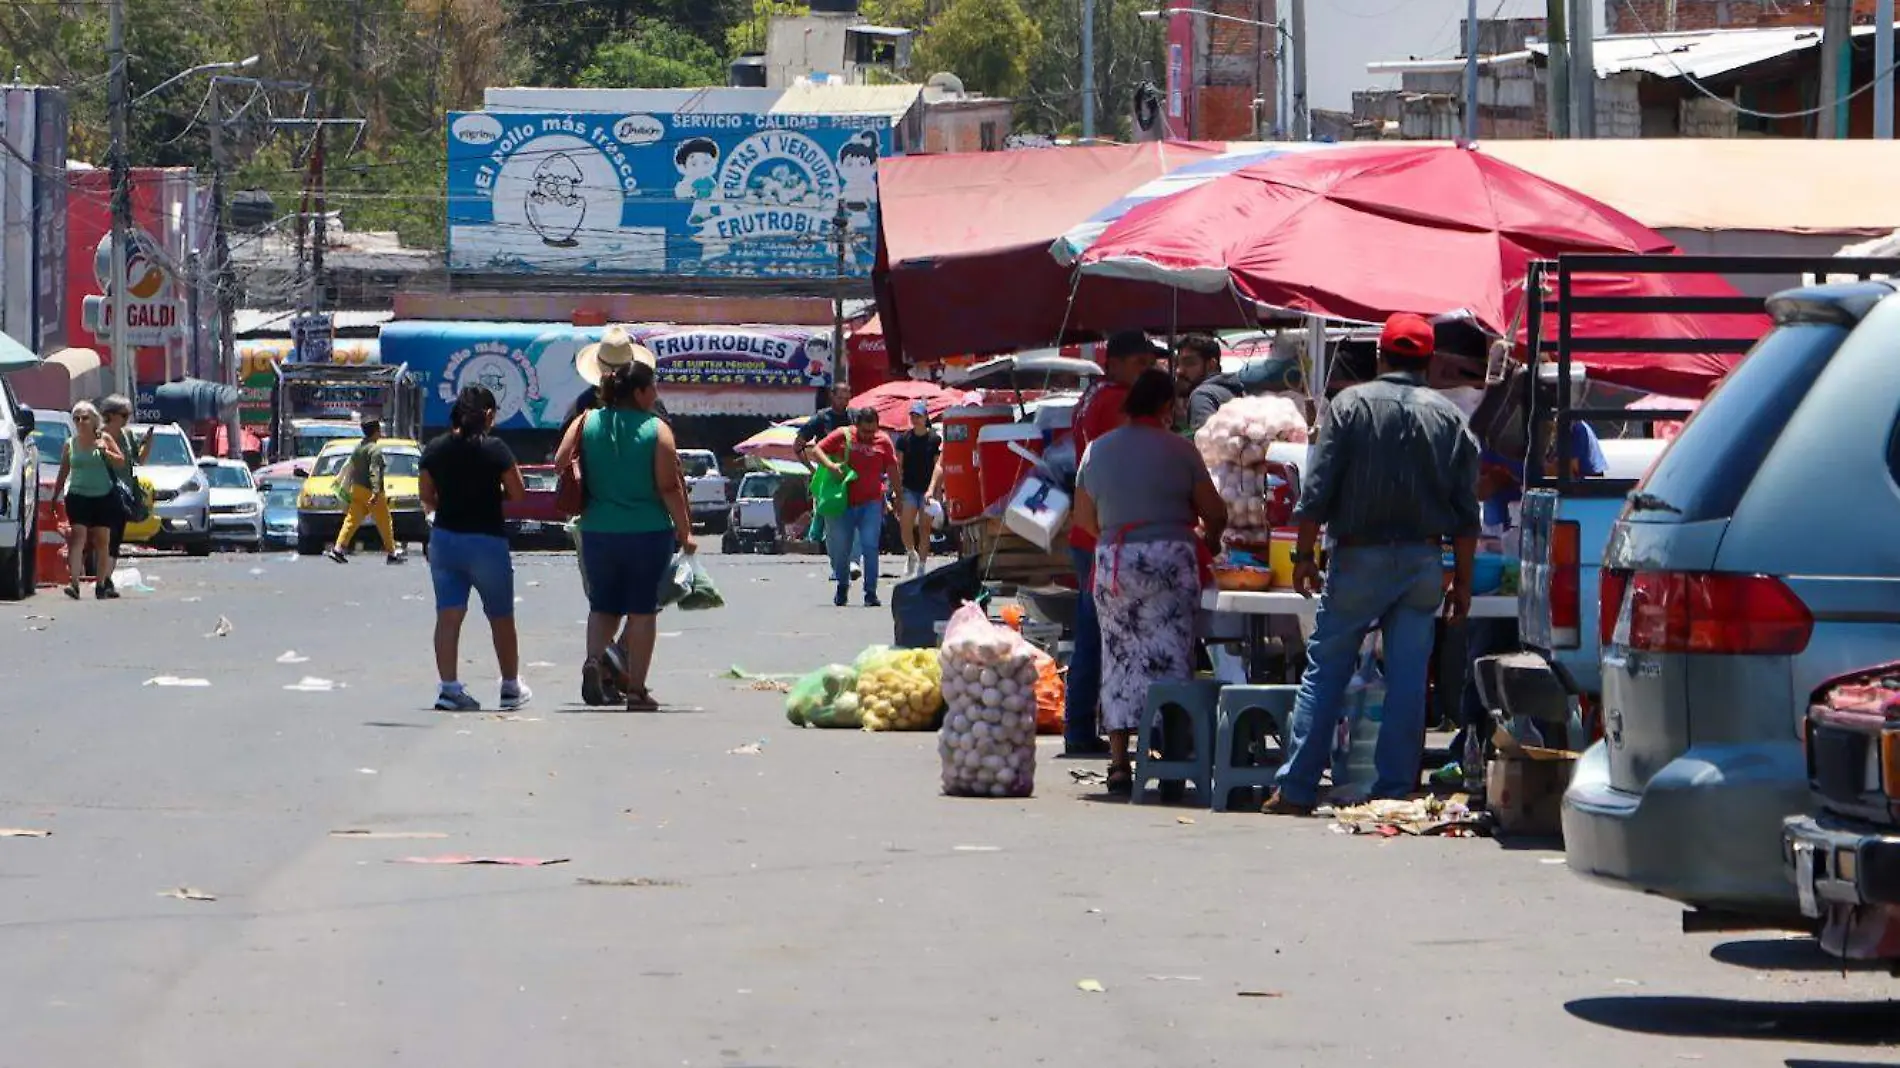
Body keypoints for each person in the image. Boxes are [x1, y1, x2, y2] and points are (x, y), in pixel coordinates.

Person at [1263, 313, 1482, 816]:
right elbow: (1467, 513)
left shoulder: (1349, 405)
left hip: (1359, 556)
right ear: (1429, 363)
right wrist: (1463, 582)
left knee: (1327, 670)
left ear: (1381, 356)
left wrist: (1303, 555)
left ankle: (1296, 789)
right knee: (1409, 678)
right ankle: (1394, 789)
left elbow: (1316, 492)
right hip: (1424, 560)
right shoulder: (1449, 418)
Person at [1072, 369, 1228, 796]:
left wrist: (1120, 529)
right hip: (1170, 563)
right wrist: (1209, 541)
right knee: (1172, 657)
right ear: (1165, 406)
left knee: (1119, 658)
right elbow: (1215, 511)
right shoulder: (1181, 449)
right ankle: (1173, 758)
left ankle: (1120, 763)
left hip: (1116, 563)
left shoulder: (1096, 451)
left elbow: (1083, 519)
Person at [555, 358, 694, 712]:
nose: (656, 393)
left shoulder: (586, 421)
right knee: (643, 612)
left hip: (597, 529)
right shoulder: (657, 429)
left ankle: (595, 661)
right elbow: (668, 485)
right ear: (640, 392)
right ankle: (635, 690)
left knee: (603, 607)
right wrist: (685, 530)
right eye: (653, 387)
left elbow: (560, 461)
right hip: (647, 532)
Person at [1063, 329, 1166, 757]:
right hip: (1105, 535)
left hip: (1091, 531)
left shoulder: (1092, 396)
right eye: (1141, 364)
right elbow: (1135, 454)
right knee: (1097, 634)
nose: (1146, 372)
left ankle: (1082, 724)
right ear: (1117, 362)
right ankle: (1081, 728)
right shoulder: (1113, 401)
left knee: (1093, 632)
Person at [419, 386, 530, 712]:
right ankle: (510, 686)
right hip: (486, 540)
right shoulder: (495, 449)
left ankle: (449, 689)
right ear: (489, 415)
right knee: (500, 616)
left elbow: (427, 495)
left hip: (446, 540)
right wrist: (492, 494)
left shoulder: (435, 449)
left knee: (448, 616)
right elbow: (518, 492)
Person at [811, 408, 899, 608]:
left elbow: (893, 469)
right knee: (842, 548)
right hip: (843, 502)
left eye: (872, 431)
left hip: (871, 502)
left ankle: (871, 593)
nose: (869, 436)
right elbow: (817, 450)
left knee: (870, 546)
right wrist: (831, 466)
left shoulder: (883, 441)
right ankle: (842, 586)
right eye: (864, 432)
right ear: (856, 425)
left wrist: (898, 497)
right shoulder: (842, 435)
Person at [52, 401, 126, 601]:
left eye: (84, 418)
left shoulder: (105, 439)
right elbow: (63, 471)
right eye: (76, 418)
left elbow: (121, 461)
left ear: (94, 420)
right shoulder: (71, 444)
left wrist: (105, 451)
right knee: (78, 538)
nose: (80, 422)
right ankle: (74, 584)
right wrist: (55, 495)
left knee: (102, 541)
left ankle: (101, 584)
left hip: (103, 496)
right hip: (78, 496)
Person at [326, 416, 404, 565]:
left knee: (351, 520)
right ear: (376, 431)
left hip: (357, 489)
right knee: (384, 521)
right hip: (371, 491)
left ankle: (338, 549)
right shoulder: (374, 450)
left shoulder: (359, 447)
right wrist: (375, 491)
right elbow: (374, 471)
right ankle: (391, 553)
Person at [94, 394, 151, 596]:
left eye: (128, 415)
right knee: (103, 539)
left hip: (123, 495)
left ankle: (106, 580)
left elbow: (137, 462)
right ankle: (102, 581)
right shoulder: (98, 437)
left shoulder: (127, 437)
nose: (127, 419)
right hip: (102, 492)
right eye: (123, 415)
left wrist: (148, 443)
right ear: (110, 415)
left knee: (115, 539)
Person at [1185, 353, 1303, 433]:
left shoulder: (1201, 395)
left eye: (1189, 363)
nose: (1180, 370)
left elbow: (1204, 443)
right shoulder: (1235, 388)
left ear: (1211, 364)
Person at [892, 400, 942, 577]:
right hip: (909, 487)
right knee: (905, 525)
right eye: (912, 416)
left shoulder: (934, 439)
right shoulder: (904, 439)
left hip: (927, 489)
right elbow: (899, 465)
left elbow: (938, 467)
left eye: (918, 416)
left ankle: (921, 564)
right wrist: (896, 488)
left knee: (924, 528)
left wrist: (934, 490)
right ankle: (911, 553)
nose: (915, 419)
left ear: (926, 417)